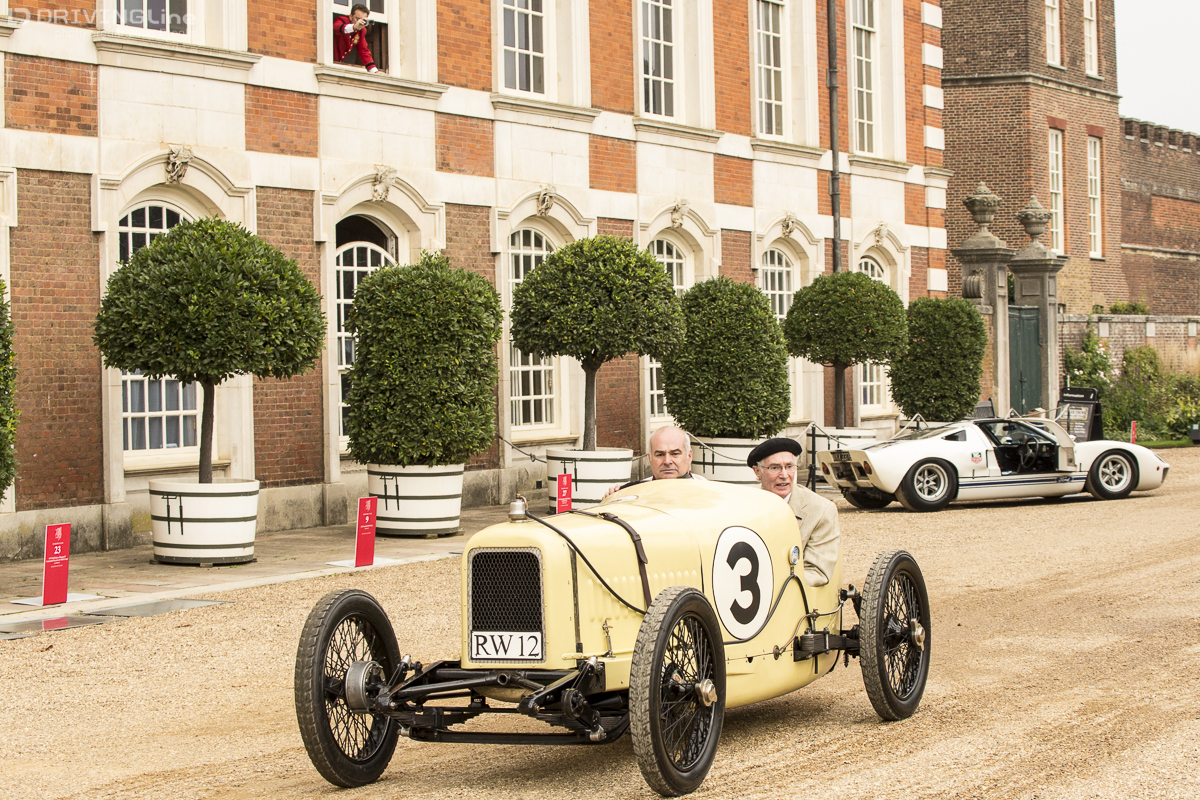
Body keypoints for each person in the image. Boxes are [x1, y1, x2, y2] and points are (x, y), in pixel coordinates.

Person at [747, 438, 839, 587]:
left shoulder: (821, 510)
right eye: (775, 468)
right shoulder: (746, 507)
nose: (784, 475)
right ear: (758, 471)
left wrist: (768, 586)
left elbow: (817, 572)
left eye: (789, 466)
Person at [603, 425, 705, 498]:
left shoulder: (708, 491)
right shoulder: (630, 492)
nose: (667, 461)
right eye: (660, 455)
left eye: (675, 454)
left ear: (689, 456)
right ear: (650, 458)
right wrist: (612, 502)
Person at [334, 3, 379, 74]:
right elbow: (336, 28)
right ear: (351, 17)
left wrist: (374, 71)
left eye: (363, 20)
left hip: (339, 63)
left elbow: (363, 51)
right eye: (358, 19)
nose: (360, 22)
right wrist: (354, 27)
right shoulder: (342, 20)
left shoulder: (361, 31)